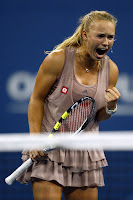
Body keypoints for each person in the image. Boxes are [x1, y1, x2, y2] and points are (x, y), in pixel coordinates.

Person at [17, 10, 121, 200]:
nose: (106, 42)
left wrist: (111, 108)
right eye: (100, 36)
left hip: (86, 154)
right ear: (85, 35)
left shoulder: (111, 70)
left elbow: (96, 117)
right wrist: (35, 140)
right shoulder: (58, 59)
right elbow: (36, 99)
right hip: (48, 151)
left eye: (110, 37)